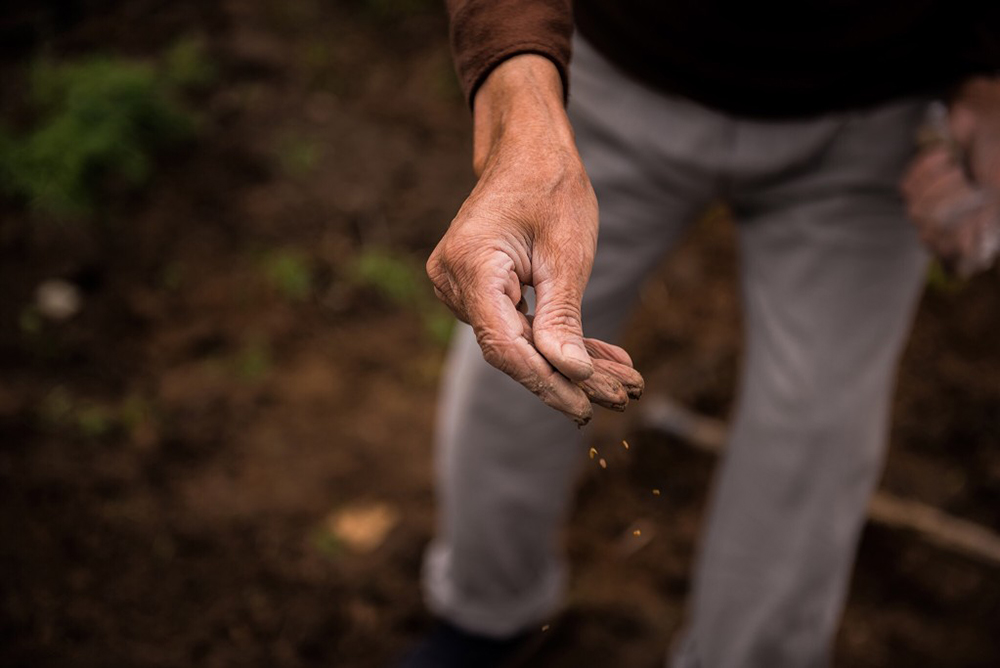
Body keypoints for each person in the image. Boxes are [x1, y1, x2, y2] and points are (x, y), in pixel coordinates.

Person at [400, 2, 1000, 666]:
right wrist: (521, 98)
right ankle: (486, 613)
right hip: (609, 74)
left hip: (875, 119)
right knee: (518, 346)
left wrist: (987, 76)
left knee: (815, 423)